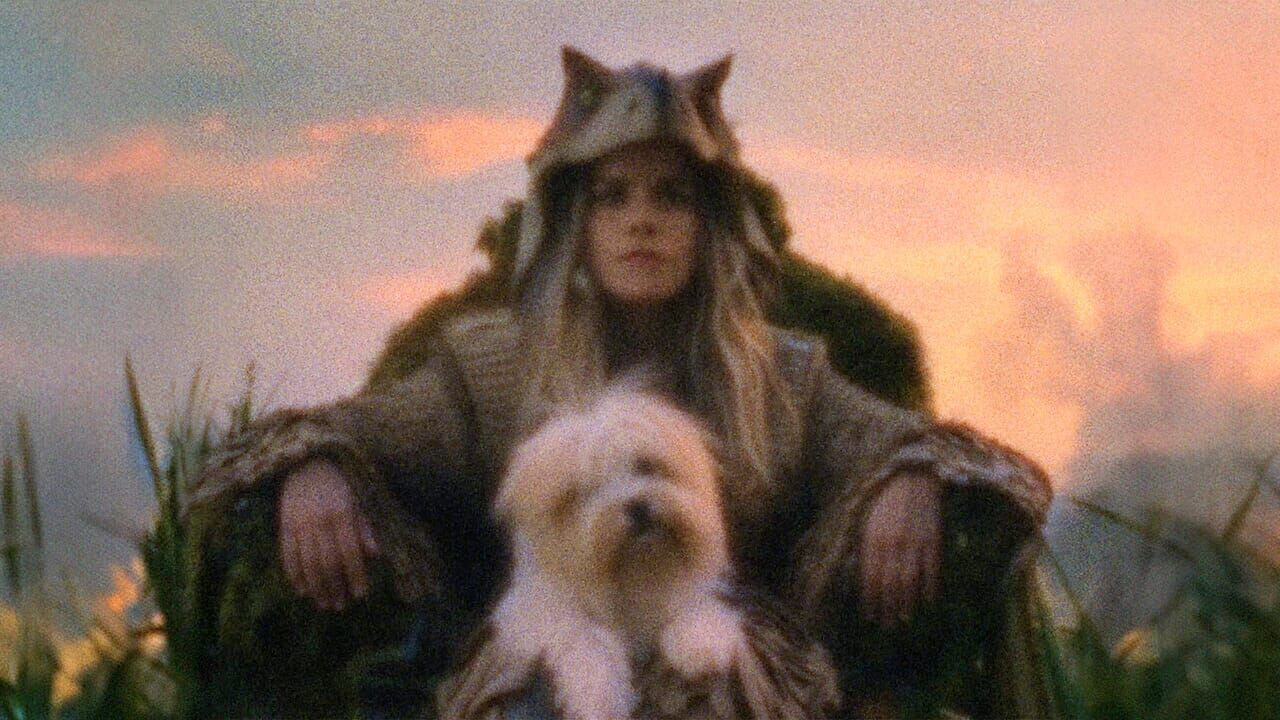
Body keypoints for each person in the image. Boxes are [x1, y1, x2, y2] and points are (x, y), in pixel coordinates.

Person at [188, 48, 1054, 719]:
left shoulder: (783, 375)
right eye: (613, 196)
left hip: (729, 663)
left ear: (708, 225)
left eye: (671, 197)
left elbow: (962, 458)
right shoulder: (489, 367)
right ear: (577, 222)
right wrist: (314, 467)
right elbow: (338, 433)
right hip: (543, 651)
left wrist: (913, 475)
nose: (642, 220)